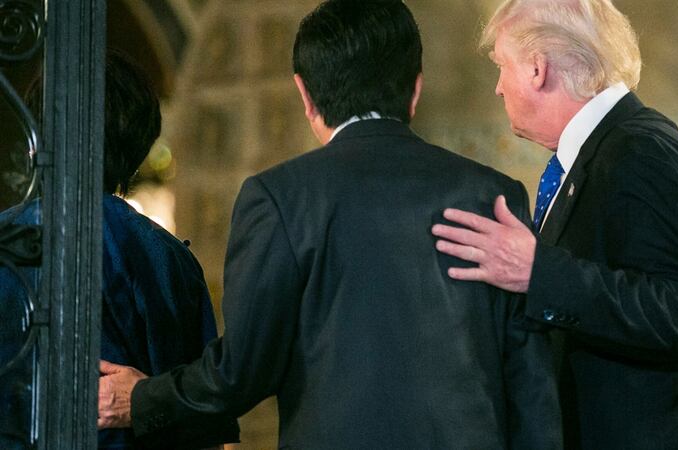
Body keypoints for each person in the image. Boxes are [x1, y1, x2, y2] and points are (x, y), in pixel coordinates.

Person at [96, 1, 561, 448]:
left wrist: (140, 399)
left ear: (305, 93)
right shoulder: (494, 196)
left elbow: (240, 374)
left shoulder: (279, 198)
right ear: (415, 89)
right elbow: (531, 381)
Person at [431, 0, 678, 448]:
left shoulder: (638, 151)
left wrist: (537, 273)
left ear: (536, 69)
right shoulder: (610, 149)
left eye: (501, 66)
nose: (497, 88)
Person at [0, 50, 238, 449]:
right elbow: (200, 420)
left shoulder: (8, 238)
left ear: (38, 135)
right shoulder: (168, 260)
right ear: (140, 146)